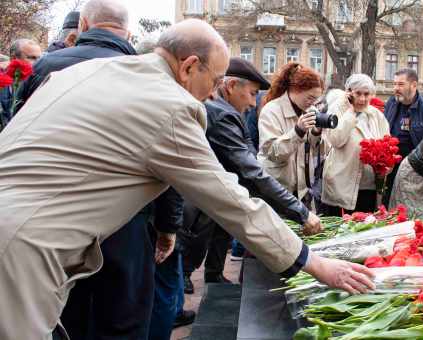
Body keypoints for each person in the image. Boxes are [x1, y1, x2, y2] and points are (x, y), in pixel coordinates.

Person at [0, 19, 374, 340]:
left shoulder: (86, 71)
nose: (214, 92)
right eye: (214, 79)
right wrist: (316, 264)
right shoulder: (172, 106)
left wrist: (165, 228)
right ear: (189, 66)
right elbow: (232, 202)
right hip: (21, 250)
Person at [13, 2, 184, 339]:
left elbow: (21, 133)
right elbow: (167, 162)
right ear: (128, 31)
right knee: (122, 319)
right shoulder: (143, 72)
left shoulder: (48, 66)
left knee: (67, 315)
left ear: (85, 23)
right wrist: (167, 226)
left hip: (55, 220)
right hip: (125, 221)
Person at [180, 57, 322, 292]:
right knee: (190, 250)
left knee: (219, 236)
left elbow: (250, 156)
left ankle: (210, 279)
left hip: (230, 189)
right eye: (251, 93)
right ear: (231, 85)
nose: (253, 102)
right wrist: (301, 213)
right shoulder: (222, 114)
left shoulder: (228, 111)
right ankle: (184, 283)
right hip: (202, 199)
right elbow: (255, 167)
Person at [15, 0, 136, 114]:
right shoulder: (141, 72)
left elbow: (17, 119)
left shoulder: (44, 65)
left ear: (82, 25)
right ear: (128, 35)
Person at [258, 62, 327, 211]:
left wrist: (316, 133)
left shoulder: (308, 110)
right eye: (310, 97)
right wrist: (298, 131)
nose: (312, 103)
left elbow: (315, 152)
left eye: (316, 99)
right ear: (295, 90)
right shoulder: (272, 111)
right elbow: (273, 152)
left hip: (302, 190)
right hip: (277, 189)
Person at [320, 75, 390, 215]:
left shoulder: (376, 115)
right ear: (349, 92)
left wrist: (384, 165)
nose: (363, 99)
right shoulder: (337, 109)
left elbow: (387, 143)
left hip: (368, 186)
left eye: (366, 94)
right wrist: (350, 112)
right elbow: (336, 139)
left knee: (363, 230)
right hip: (342, 186)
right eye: (358, 93)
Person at [382, 68, 423, 205]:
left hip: (414, 170)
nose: (396, 88)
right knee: (388, 207)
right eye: (394, 84)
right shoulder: (391, 103)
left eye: (401, 84)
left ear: (414, 85)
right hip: (391, 169)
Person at [0, 38, 41, 122]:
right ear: (13, 58)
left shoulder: (37, 83)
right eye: (32, 58)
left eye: (39, 58)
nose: (38, 62)